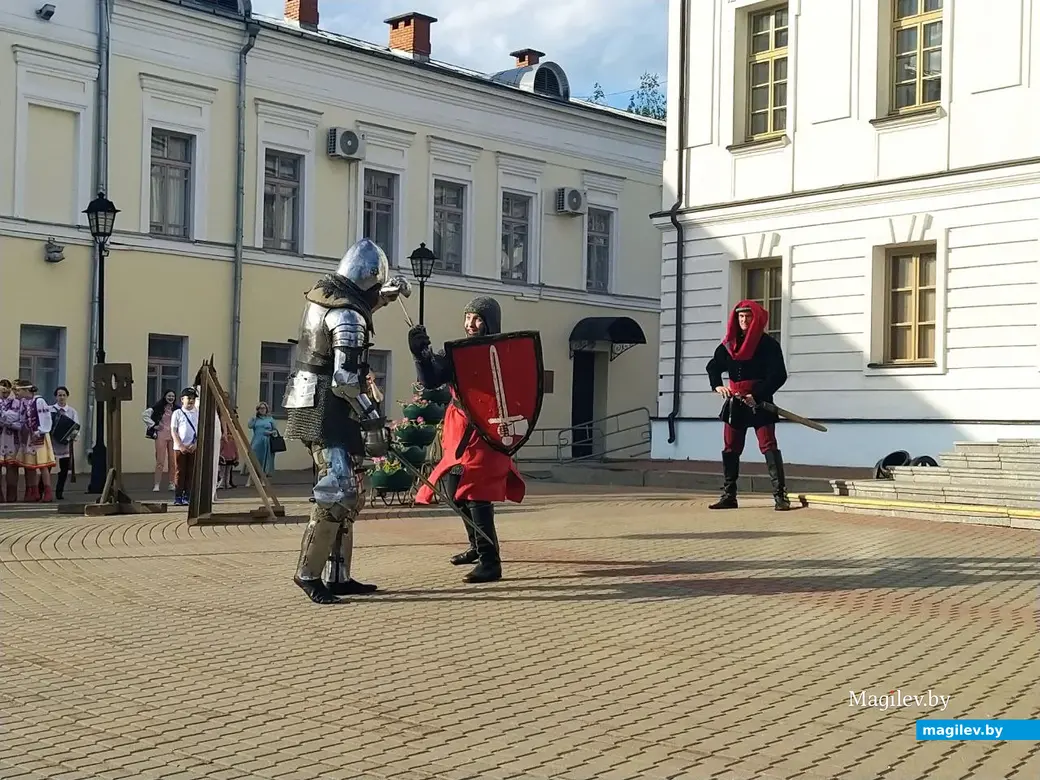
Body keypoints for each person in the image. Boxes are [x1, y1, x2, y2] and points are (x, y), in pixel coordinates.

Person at [283, 238, 410, 604]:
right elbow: (346, 380)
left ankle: (338, 575)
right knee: (337, 488)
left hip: (321, 399)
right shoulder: (347, 315)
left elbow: (360, 301)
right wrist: (373, 417)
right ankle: (308, 573)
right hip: (328, 405)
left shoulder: (328, 294)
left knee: (350, 491)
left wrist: (385, 296)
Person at [407, 296, 526, 584]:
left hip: (488, 431)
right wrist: (421, 355)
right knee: (454, 491)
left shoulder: (504, 354)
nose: (470, 324)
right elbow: (432, 380)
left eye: (477, 318)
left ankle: (490, 562)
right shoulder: (458, 352)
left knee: (477, 494)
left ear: (490, 323)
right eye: (468, 317)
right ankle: (476, 546)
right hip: (459, 428)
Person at [705, 299, 790, 511]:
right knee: (730, 447)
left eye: (747, 316)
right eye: (741, 316)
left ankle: (780, 496)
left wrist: (757, 395)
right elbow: (713, 366)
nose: (743, 320)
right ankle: (729, 496)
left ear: (756, 319)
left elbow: (779, 375)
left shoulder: (768, 345)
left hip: (760, 403)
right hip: (735, 403)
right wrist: (717, 386)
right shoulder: (730, 344)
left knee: (768, 445)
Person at [13, 381, 56, 502]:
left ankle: (48, 492)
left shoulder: (39, 401)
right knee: (30, 465)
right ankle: (34, 491)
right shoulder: (24, 402)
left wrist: (40, 431)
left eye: (19, 390)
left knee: (43, 465)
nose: (17, 393)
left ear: (26, 390)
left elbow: (45, 418)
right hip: (29, 436)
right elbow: (22, 419)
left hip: (39, 435)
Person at [143, 390, 178, 492]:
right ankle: (157, 484)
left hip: (173, 436)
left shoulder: (177, 409)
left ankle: (172, 483)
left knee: (173, 461)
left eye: (172, 396)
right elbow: (144, 415)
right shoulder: (158, 407)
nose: (171, 398)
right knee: (160, 461)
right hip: (161, 435)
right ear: (165, 396)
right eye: (169, 396)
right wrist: (154, 425)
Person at [170, 387, 200, 506]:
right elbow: (174, 431)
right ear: (182, 399)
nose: (191, 401)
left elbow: (201, 430)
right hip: (180, 448)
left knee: (191, 472)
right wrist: (180, 445)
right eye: (189, 398)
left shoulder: (198, 413)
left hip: (193, 447)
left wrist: (196, 444)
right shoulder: (177, 413)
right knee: (180, 471)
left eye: (193, 399)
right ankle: (178, 496)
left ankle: (187, 495)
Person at [50, 386, 80, 501]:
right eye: (59, 395)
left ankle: (59, 492)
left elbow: (76, 429)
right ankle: (43, 490)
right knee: (47, 468)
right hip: (51, 444)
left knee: (64, 471)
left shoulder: (72, 412)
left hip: (65, 446)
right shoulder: (50, 410)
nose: (61, 397)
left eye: (64, 395)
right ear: (56, 397)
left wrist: (69, 438)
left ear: (67, 396)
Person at [246, 402, 278, 486]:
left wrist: (270, 432)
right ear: (258, 410)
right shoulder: (256, 419)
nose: (262, 410)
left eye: (264, 408)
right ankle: (250, 479)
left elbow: (275, 431)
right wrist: (252, 419)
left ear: (267, 409)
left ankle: (263, 479)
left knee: (265, 461)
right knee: (254, 459)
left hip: (266, 442)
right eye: (260, 408)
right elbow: (250, 426)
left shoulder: (270, 419)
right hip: (256, 441)